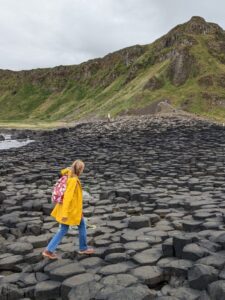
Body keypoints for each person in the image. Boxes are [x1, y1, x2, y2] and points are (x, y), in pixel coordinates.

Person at [42, 159, 94, 259]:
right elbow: (68, 197)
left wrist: (68, 169)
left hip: (73, 210)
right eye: (82, 169)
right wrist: (65, 214)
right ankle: (83, 248)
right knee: (78, 227)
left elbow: (62, 172)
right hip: (70, 211)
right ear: (80, 169)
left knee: (65, 229)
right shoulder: (73, 180)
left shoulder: (69, 174)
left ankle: (49, 250)